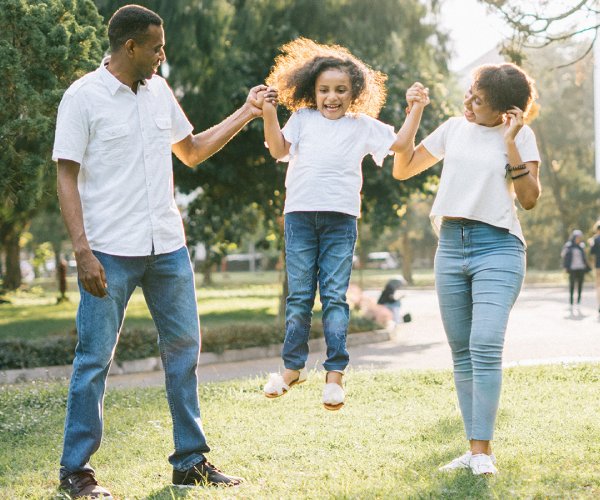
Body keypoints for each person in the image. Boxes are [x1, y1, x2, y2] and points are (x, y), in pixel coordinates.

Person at [53, 5, 275, 498]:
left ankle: (190, 461)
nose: (162, 54)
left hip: (167, 247)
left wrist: (247, 111)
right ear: (129, 46)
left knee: (184, 352)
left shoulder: (159, 92)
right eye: (156, 46)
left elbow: (191, 150)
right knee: (94, 358)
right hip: (108, 250)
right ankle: (76, 471)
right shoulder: (83, 97)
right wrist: (82, 251)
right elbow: (65, 175)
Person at [393, 63, 541, 475]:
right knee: (462, 354)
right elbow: (402, 168)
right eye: (471, 94)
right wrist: (415, 112)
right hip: (451, 246)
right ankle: (475, 451)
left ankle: (482, 452)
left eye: (480, 100)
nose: (469, 103)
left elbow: (529, 198)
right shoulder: (454, 128)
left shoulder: (521, 135)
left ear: (507, 112)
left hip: (499, 246)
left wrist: (510, 142)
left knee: (485, 343)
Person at [259, 38, 413, 410]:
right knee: (298, 296)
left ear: (354, 92)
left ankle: (335, 376)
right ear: (312, 90)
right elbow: (279, 150)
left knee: (333, 296)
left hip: (341, 221)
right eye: (324, 90)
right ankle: (292, 368)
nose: (332, 97)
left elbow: (402, 145)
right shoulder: (303, 119)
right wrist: (268, 111)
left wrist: (416, 109)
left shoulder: (362, 126)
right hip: (299, 217)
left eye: (341, 90)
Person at [561, 229, 591, 313]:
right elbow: (563, 255)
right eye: (577, 237)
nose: (578, 239)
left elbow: (584, 257)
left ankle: (578, 302)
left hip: (581, 268)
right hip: (572, 269)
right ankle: (571, 303)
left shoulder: (582, 246)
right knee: (572, 285)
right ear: (574, 237)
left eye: (580, 237)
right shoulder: (568, 245)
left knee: (580, 286)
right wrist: (565, 266)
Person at [588, 221, 600, 315]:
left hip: (598, 267)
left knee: (598, 287)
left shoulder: (595, 240)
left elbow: (592, 253)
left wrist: (591, 243)